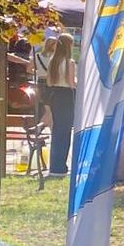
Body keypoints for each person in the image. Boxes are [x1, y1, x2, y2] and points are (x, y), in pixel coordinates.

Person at [46, 32, 77, 177]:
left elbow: (48, 82)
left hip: (55, 95)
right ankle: (61, 166)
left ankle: (54, 166)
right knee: (65, 132)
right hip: (66, 96)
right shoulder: (70, 62)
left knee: (57, 130)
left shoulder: (53, 61)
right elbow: (71, 83)